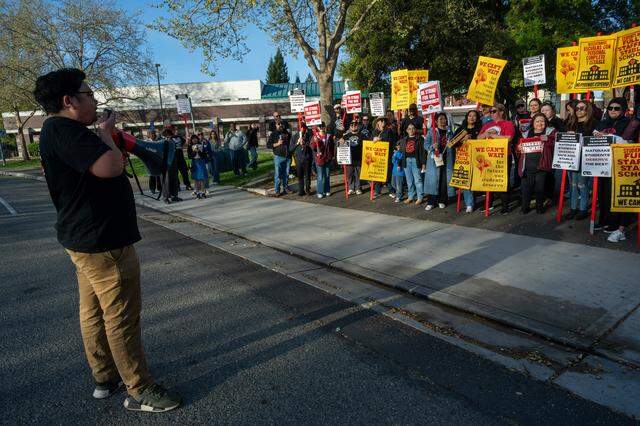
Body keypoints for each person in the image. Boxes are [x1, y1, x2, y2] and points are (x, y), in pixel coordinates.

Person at [34, 68, 181, 412]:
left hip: (86, 240)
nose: (95, 99)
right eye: (88, 94)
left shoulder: (59, 130)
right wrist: (107, 134)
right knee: (121, 316)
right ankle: (140, 388)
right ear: (69, 101)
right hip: (103, 243)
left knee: (94, 313)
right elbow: (111, 167)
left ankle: (105, 376)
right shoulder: (66, 130)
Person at [593, 97, 640, 242]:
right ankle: (605, 219)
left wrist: (609, 137)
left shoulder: (630, 123)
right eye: (610, 108)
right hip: (602, 163)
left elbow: (629, 142)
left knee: (617, 194)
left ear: (624, 110)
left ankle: (616, 223)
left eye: (617, 108)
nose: (613, 110)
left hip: (620, 164)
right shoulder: (603, 122)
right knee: (603, 193)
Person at [478, 103, 516, 214]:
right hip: (488, 156)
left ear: (501, 112)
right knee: (488, 180)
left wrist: (493, 136)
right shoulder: (487, 125)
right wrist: (486, 133)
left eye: (494, 111)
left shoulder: (508, 124)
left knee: (503, 181)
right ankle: (488, 204)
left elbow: (508, 138)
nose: (491, 113)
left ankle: (505, 206)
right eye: (490, 111)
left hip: (503, 156)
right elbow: (478, 138)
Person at [516, 113, 556, 214]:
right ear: (533, 123)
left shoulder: (551, 132)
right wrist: (518, 148)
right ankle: (524, 207)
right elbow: (517, 148)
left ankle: (539, 207)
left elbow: (557, 144)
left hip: (541, 166)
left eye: (542, 121)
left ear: (546, 122)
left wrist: (549, 140)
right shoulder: (525, 134)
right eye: (537, 121)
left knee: (540, 189)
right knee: (526, 189)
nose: (540, 123)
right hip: (526, 167)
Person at [565, 100, 595, 221]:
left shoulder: (594, 123)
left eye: (582, 108)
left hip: (585, 158)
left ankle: (583, 209)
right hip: (572, 158)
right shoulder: (572, 123)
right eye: (577, 109)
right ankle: (573, 208)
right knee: (572, 185)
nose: (579, 111)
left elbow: (595, 141)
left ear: (588, 109)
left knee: (582, 184)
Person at [452, 110, 483, 212]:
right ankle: (469, 204)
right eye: (470, 116)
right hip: (463, 159)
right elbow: (452, 143)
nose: (472, 118)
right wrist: (462, 139)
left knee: (475, 181)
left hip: (476, 158)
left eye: (474, 116)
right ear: (467, 117)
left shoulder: (480, 128)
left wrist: (472, 137)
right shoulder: (461, 129)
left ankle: (473, 199)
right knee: (466, 182)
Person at [424, 112, 455, 210]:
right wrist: (432, 146)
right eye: (440, 119)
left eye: (444, 118)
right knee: (433, 180)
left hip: (447, 158)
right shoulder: (431, 131)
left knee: (444, 180)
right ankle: (431, 202)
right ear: (436, 121)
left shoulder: (450, 131)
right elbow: (426, 144)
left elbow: (454, 144)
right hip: (434, 160)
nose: (443, 121)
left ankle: (442, 200)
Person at [399, 123, 426, 205]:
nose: (411, 130)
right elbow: (401, 152)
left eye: (413, 128)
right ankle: (411, 196)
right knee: (409, 180)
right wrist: (400, 164)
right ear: (407, 130)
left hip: (415, 161)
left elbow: (423, 152)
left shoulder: (420, 139)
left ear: (415, 129)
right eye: (409, 128)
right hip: (406, 161)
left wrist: (424, 163)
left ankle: (420, 197)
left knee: (418, 180)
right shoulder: (404, 140)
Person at [371, 117, 395, 198]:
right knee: (378, 174)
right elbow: (370, 142)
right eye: (381, 121)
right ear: (378, 123)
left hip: (387, 156)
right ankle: (377, 191)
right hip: (377, 157)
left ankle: (391, 190)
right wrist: (373, 139)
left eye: (384, 120)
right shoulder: (374, 132)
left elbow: (392, 141)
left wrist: (381, 139)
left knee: (388, 174)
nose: (383, 122)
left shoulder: (389, 131)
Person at [310, 122, 335, 198]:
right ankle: (320, 192)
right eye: (319, 126)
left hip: (327, 159)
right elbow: (312, 147)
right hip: (319, 159)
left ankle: (327, 190)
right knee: (320, 176)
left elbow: (332, 146)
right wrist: (314, 142)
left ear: (325, 127)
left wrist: (331, 156)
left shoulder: (328, 136)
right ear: (318, 128)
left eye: (322, 126)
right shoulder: (315, 136)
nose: (321, 128)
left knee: (327, 175)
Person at [340, 120, 364, 195]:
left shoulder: (362, 135)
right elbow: (339, 141)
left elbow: (369, 142)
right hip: (349, 158)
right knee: (350, 173)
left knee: (358, 174)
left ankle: (358, 188)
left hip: (359, 157)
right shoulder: (346, 135)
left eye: (355, 125)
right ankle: (351, 188)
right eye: (352, 125)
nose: (353, 126)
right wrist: (341, 140)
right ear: (350, 127)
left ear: (358, 126)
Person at [267, 121, 290, 196]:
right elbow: (268, 145)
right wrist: (277, 143)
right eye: (278, 124)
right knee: (278, 174)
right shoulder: (273, 134)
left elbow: (291, 143)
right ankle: (277, 190)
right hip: (278, 156)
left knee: (286, 174)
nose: (280, 125)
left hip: (287, 156)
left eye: (281, 124)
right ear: (276, 125)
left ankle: (285, 188)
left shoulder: (287, 133)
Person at [160, 127, 182, 204]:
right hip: (165, 163)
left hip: (173, 162)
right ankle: (166, 197)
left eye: (169, 135)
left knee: (174, 179)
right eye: (167, 135)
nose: (169, 136)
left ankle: (174, 196)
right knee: (166, 180)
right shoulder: (161, 142)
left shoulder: (172, 141)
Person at [291, 122, 313, 196]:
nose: (302, 129)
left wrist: (305, 143)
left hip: (306, 158)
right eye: (301, 127)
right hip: (298, 158)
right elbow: (291, 148)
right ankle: (301, 190)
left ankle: (307, 189)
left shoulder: (308, 136)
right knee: (300, 175)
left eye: (304, 128)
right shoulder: (294, 137)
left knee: (307, 175)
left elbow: (311, 146)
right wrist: (297, 143)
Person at [187, 134, 209, 199]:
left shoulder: (201, 145)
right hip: (194, 162)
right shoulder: (190, 147)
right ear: (191, 140)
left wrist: (199, 151)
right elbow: (190, 156)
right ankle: (198, 192)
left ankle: (203, 192)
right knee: (196, 178)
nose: (194, 140)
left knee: (202, 178)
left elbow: (204, 155)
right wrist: (194, 151)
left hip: (201, 162)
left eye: (195, 138)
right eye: (193, 139)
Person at [145, 131, 162, 195]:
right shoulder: (147, 141)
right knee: (152, 174)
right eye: (151, 134)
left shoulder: (158, 141)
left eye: (154, 134)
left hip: (157, 159)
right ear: (149, 135)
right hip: (150, 160)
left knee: (158, 174)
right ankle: (152, 188)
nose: (153, 135)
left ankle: (159, 188)